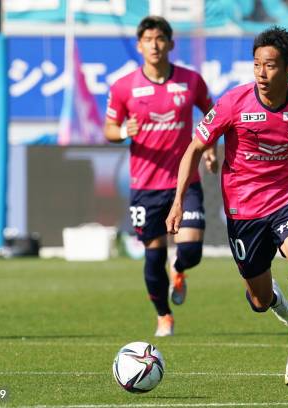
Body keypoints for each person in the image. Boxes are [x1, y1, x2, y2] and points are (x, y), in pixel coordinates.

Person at [166, 27, 288, 386]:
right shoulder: (233, 103)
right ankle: (272, 298)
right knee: (258, 299)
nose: (261, 73)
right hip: (244, 214)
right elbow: (195, 147)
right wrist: (178, 199)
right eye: (256, 64)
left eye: (270, 66)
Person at [104, 16, 217, 337]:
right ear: (139, 46)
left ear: (170, 43)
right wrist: (124, 130)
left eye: (160, 39)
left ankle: (179, 270)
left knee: (191, 250)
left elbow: (211, 115)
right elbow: (109, 128)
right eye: (148, 40)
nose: (154, 45)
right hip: (146, 187)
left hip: (185, 182)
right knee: (153, 257)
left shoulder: (191, 81)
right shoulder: (124, 87)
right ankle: (163, 316)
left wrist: (208, 147)